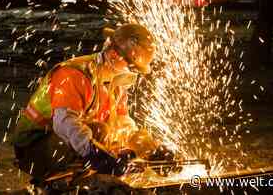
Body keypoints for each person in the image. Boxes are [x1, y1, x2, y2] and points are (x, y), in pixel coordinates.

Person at [12, 24, 171, 180]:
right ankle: (61, 184)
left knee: (107, 134)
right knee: (100, 133)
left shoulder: (115, 83)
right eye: (132, 67)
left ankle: (84, 173)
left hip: (62, 140)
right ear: (115, 55)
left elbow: (122, 125)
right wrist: (97, 155)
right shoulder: (75, 74)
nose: (132, 72)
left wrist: (150, 150)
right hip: (34, 146)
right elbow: (65, 124)